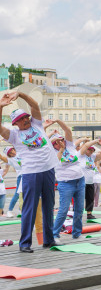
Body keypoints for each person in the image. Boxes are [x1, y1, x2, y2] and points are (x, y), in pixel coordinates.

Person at [0, 91, 59, 252]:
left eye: (25, 117)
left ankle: (49, 239)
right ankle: (25, 244)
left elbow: (34, 105)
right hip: (31, 173)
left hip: (48, 170)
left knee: (49, 205)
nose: (25, 120)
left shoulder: (37, 124)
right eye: (21, 119)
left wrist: (20, 94)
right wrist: (0, 106)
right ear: (15, 123)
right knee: (29, 208)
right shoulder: (14, 135)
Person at [75, 135, 101, 220]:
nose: (91, 151)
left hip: (91, 181)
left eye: (93, 150)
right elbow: (85, 146)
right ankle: (77, 214)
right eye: (90, 149)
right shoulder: (80, 155)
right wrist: (95, 141)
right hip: (81, 181)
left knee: (90, 198)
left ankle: (89, 214)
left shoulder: (92, 157)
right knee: (80, 199)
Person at [0, 146, 23, 217]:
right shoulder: (11, 160)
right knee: (17, 194)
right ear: (9, 155)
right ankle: (10, 210)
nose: (12, 152)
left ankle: (21, 210)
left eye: (12, 150)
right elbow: (3, 159)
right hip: (21, 176)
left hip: (28, 174)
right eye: (10, 153)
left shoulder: (20, 153)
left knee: (25, 194)